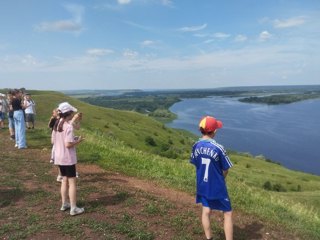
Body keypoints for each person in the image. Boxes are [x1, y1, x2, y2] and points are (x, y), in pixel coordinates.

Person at [190, 116, 233, 240]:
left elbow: (196, 163)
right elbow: (226, 168)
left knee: (206, 211)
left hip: (202, 184)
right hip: (217, 186)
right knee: (228, 213)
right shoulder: (218, 148)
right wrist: (222, 179)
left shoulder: (195, 146)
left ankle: (209, 238)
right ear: (214, 131)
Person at [52, 102, 84, 216]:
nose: (72, 114)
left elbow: (53, 141)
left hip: (59, 157)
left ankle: (64, 203)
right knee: (72, 182)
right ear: (68, 113)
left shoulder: (56, 124)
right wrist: (78, 141)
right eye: (71, 113)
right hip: (68, 158)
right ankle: (74, 208)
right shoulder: (68, 126)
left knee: (64, 180)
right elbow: (68, 144)